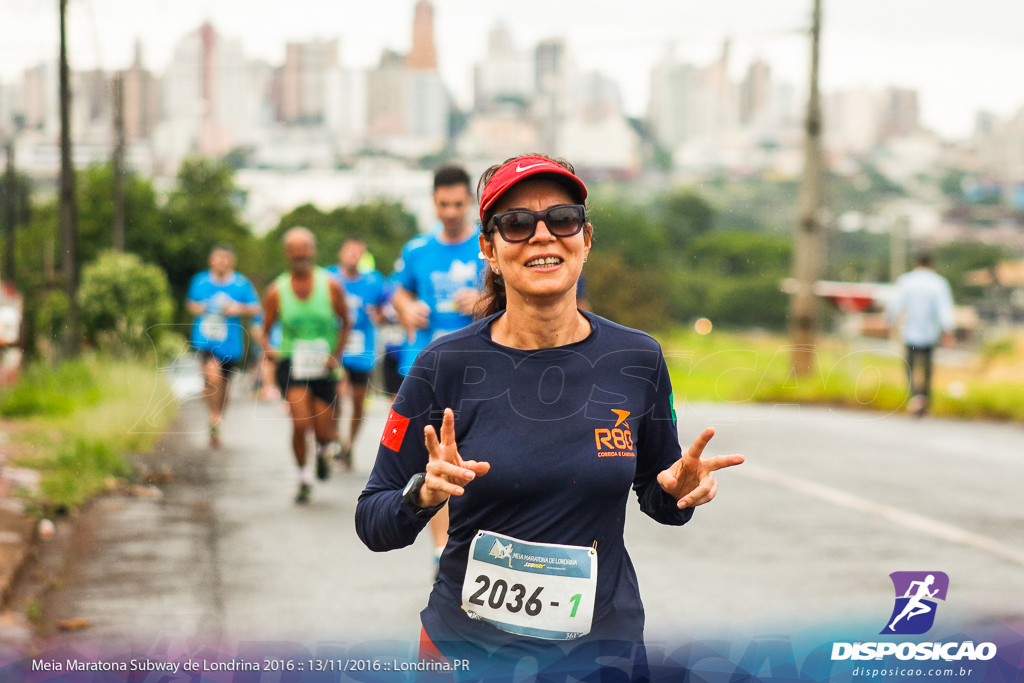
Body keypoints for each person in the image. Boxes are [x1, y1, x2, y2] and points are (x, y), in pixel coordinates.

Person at [355, 154, 745, 678]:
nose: (542, 236)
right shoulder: (441, 366)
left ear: (584, 240)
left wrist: (676, 491)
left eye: (561, 219)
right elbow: (373, 520)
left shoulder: (636, 359)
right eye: (516, 224)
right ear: (488, 250)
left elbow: (658, 495)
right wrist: (422, 493)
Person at [390, 165, 485, 573]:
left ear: (470, 203)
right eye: (443, 204)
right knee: (433, 459)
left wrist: (482, 300)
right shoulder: (416, 250)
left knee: (474, 458)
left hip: (477, 368)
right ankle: (441, 548)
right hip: (423, 365)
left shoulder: (487, 247)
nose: (450, 211)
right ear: (434, 202)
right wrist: (405, 307)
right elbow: (398, 291)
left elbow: (514, 298)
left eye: (458, 204)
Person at [261, 227, 350, 504]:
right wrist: (270, 351)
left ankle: (324, 453)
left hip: (323, 366)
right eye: (294, 249)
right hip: (292, 363)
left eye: (305, 248)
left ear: (313, 250)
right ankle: (303, 477)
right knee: (301, 423)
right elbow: (264, 330)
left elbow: (346, 323)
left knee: (324, 431)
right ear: (287, 254)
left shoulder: (331, 285)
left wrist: (335, 355)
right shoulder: (277, 290)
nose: (300, 253)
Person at [185, 245, 261, 448]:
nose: (221, 262)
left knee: (224, 389)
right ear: (211, 261)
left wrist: (238, 308)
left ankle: (217, 418)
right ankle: (214, 417)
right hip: (205, 340)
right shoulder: (200, 281)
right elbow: (190, 303)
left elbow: (256, 307)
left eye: (225, 259)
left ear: (231, 262)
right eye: (218, 258)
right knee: (213, 377)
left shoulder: (241, 283)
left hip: (230, 344)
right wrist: (199, 307)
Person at [326, 239, 387, 469]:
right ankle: (336, 440)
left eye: (357, 253)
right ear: (341, 253)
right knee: (338, 394)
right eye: (349, 252)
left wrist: (380, 316)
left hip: (363, 348)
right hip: (336, 346)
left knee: (359, 401)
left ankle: (349, 444)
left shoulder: (374, 281)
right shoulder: (329, 278)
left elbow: (385, 308)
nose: (353, 256)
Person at [886, 251, 955, 417]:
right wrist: (948, 331)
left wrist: (889, 322)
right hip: (930, 333)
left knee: (910, 366)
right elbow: (944, 309)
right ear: (932, 264)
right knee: (927, 369)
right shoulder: (938, 283)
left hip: (910, 332)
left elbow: (895, 305)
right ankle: (925, 399)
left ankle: (915, 396)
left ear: (915, 263)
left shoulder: (906, 281)